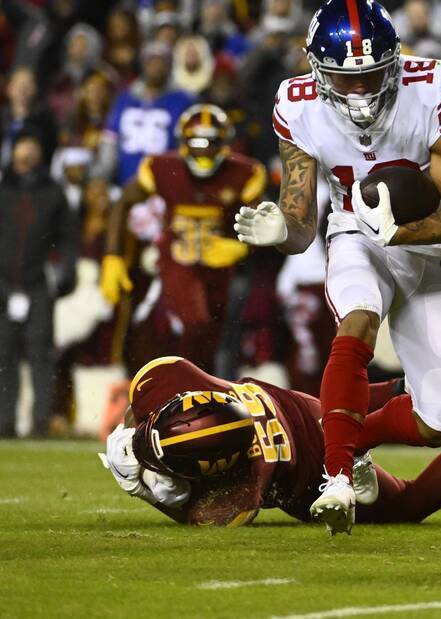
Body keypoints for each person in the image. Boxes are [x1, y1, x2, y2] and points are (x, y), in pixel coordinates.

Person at [234, 0, 441, 536]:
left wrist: (406, 231)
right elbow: (301, 225)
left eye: (371, 75)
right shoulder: (297, 104)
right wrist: (283, 230)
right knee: (358, 318)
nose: (360, 90)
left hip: (430, 253)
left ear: (393, 62)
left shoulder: (431, 88)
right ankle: (337, 477)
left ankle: (355, 439)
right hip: (357, 232)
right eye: (345, 79)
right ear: (316, 68)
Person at [98, 355, 441, 528]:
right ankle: (410, 385)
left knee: (410, 503)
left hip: (308, 468)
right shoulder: (169, 379)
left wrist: (145, 489)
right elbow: (151, 394)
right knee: (333, 408)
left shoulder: (248, 484)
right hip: (298, 405)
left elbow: (200, 515)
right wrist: (132, 437)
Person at [100, 104, 265, 372]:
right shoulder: (163, 167)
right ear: (183, 143)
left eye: (211, 142)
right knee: (195, 322)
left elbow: (265, 220)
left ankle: (203, 393)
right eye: (197, 142)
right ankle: (181, 386)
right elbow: (123, 203)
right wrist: (113, 255)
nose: (203, 150)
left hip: (218, 262)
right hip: (177, 256)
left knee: (212, 332)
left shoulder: (243, 173)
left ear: (225, 143)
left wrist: (245, 245)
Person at [0, 132, 78, 438]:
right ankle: (4, 423)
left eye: (33, 146)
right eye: (23, 145)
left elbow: (69, 238)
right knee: (3, 354)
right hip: (2, 281)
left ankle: (41, 423)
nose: (27, 152)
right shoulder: (3, 188)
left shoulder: (54, 192)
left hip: (38, 283)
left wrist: (65, 275)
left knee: (40, 354)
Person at [94, 42, 193, 186]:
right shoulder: (125, 98)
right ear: (143, 64)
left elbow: (184, 145)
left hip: (164, 183)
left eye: (161, 62)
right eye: (152, 61)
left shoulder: (181, 100)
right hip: (125, 180)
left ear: (169, 66)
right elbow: (111, 139)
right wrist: (104, 177)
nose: (156, 67)